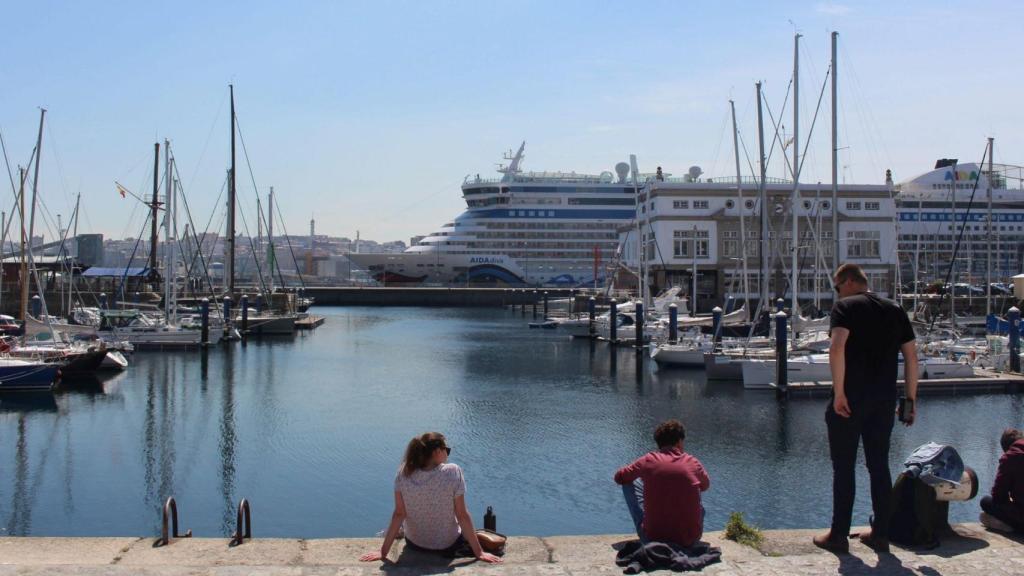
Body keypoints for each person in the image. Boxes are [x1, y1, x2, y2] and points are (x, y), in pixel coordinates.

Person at [814, 263, 918, 554]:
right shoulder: (895, 309)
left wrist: (839, 393)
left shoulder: (845, 307)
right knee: (879, 466)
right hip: (884, 400)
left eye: (836, 287)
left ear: (848, 282)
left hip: (850, 399)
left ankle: (838, 535)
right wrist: (910, 400)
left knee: (844, 468)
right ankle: (881, 534)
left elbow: (837, 348)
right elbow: (911, 356)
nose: (836, 293)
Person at [359, 432, 502, 564]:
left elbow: (399, 514)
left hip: (415, 544)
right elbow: (462, 514)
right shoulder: (452, 472)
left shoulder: (403, 473)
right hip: (448, 545)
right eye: (447, 449)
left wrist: (383, 552)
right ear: (437, 451)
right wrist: (479, 553)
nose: (448, 453)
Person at [614, 419, 710, 546]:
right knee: (694, 488)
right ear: (680, 442)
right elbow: (705, 486)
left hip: (652, 539)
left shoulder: (648, 460)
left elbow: (619, 477)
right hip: (691, 540)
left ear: (659, 443)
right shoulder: (693, 462)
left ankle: (653, 525)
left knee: (629, 482)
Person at [980, 428, 1024, 532]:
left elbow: (998, 495)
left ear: (1006, 447)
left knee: (985, 501)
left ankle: (1013, 527)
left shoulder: (1011, 457)